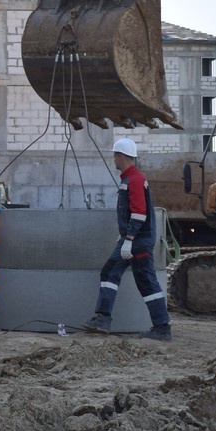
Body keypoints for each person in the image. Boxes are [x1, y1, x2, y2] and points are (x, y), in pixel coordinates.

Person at [83, 138, 171, 340]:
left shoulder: (134, 180)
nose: (113, 159)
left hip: (137, 240)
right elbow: (133, 212)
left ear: (121, 156)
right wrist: (124, 235)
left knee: (141, 281)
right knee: (117, 274)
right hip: (134, 239)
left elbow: (139, 213)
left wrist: (129, 238)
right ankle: (105, 319)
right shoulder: (131, 178)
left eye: (115, 155)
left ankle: (160, 327)